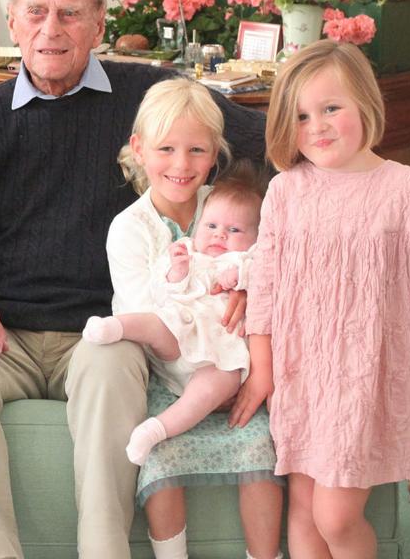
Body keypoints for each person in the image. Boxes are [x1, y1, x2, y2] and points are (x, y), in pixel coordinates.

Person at [0, 0, 267, 558]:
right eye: (36, 13)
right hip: (3, 336)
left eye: (70, 14)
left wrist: (247, 269)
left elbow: (270, 145)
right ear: (12, 22)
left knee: (109, 363)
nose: (51, 29)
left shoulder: (150, 94)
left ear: (100, 24)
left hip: (101, 332)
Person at [235, 40, 410, 558]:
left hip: (367, 376)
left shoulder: (408, 190)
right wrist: (264, 369)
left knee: (336, 516)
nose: (316, 126)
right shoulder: (287, 191)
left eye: (331, 108)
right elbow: (265, 291)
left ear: (365, 102)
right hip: (302, 374)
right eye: (301, 115)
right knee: (304, 510)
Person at [105, 79, 282, 559]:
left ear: (213, 156)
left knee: (259, 449)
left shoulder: (226, 207)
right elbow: (145, 314)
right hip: (170, 371)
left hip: (233, 362)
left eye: (196, 150)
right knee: (159, 459)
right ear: (140, 150)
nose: (182, 165)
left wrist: (247, 287)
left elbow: (267, 256)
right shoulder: (130, 229)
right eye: (166, 149)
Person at [88, 163, 267, 466]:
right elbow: (162, 291)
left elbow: (268, 279)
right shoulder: (186, 251)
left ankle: (155, 430)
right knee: (158, 323)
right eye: (211, 227)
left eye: (234, 230)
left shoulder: (250, 258)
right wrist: (178, 272)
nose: (219, 236)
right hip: (178, 335)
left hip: (220, 356)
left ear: (255, 237)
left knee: (215, 386)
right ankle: (113, 328)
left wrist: (240, 280)